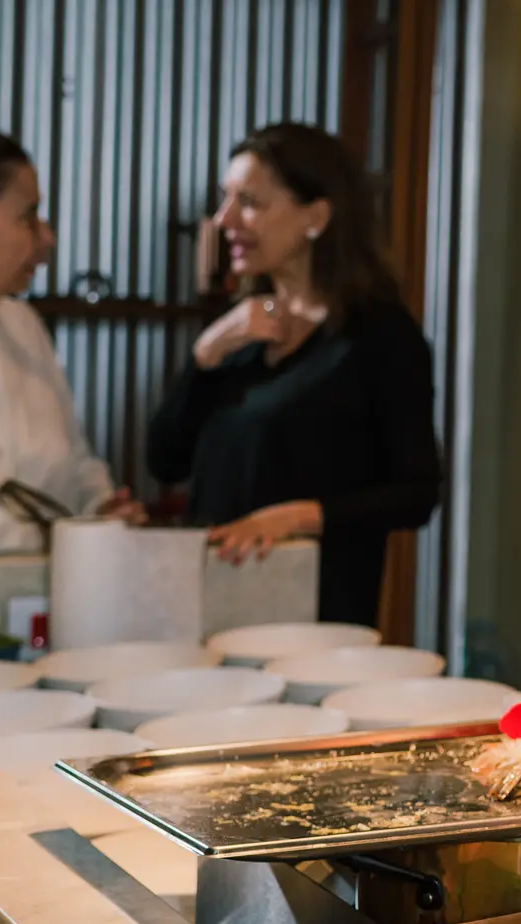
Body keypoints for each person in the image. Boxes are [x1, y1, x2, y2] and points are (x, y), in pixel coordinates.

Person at [148, 122, 439, 626]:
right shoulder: (237, 336)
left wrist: (298, 516)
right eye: (225, 199)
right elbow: (164, 460)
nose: (223, 219)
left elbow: (417, 493)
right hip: (212, 613)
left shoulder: (379, 336)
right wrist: (205, 354)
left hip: (317, 625)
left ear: (316, 217)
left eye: (250, 202)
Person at [0, 126, 142, 552]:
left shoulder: (22, 326)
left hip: (44, 608)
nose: (47, 238)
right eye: (27, 216)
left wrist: (101, 509)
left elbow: (78, 464)